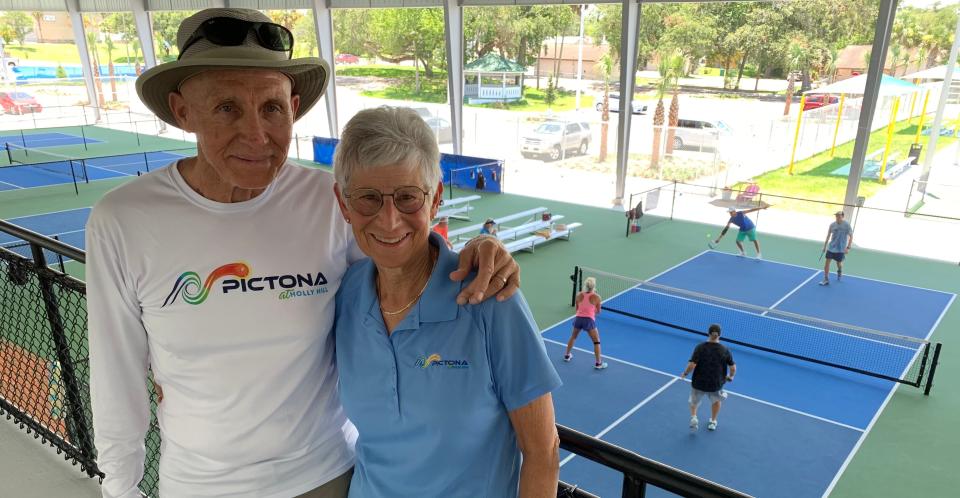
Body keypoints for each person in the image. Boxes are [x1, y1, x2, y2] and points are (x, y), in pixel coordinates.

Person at [85, 9, 520, 498]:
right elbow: (114, 377)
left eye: (271, 108)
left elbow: (404, 257)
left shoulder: (329, 200)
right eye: (226, 107)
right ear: (182, 110)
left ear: (293, 107)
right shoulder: (123, 221)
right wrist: (119, 490)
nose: (256, 134)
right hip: (199, 485)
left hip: (327, 476)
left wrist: (479, 249)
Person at [332, 106, 560, 497]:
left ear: (435, 199)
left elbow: (543, 452)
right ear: (344, 203)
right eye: (369, 198)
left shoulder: (490, 300)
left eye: (407, 198)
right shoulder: (346, 294)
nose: (389, 220)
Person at [680, 324, 736, 432]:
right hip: (715, 384)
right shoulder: (725, 350)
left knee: (693, 401)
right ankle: (713, 422)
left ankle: (694, 417)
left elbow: (692, 365)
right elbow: (732, 367)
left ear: (708, 333)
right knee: (716, 401)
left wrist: (685, 374)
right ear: (720, 335)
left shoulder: (700, 347)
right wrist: (731, 376)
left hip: (699, 382)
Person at [562, 276, 608, 370]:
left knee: (573, 337)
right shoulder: (597, 297)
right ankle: (598, 363)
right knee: (596, 341)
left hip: (578, 319)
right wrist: (591, 310)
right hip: (589, 320)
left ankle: (567, 355)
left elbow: (577, 309)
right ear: (594, 286)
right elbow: (598, 311)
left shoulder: (579, 295)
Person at [819, 210, 853, 286]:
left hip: (840, 248)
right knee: (827, 263)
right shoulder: (832, 225)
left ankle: (840, 270)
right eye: (836, 216)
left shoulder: (847, 225)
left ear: (842, 216)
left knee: (839, 263)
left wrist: (848, 248)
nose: (837, 217)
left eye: (839, 216)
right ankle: (826, 279)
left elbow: (851, 236)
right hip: (831, 247)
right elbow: (828, 236)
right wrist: (824, 246)